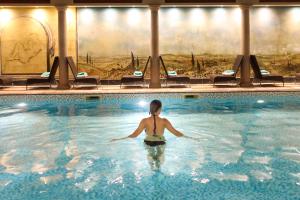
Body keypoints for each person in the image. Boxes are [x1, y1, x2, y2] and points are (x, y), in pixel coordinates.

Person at [111, 99, 187, 146]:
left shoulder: (144, 121)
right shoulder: (164, 121)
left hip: (148, 142)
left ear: (150, 109)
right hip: (161, 142)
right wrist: (189, 137)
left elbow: (135, 134)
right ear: (159, 109)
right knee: (159, 162)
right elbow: (176, 133)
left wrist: (119, 139)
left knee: (151, 162)